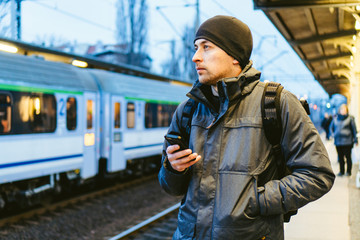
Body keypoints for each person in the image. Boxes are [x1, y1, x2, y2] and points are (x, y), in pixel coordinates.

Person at [158, 15, 335, 240]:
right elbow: (169, 186)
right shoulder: (188, 110)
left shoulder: (277, 103)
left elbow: (317, 174)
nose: (195, 57)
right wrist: (173, 168)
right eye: (195, 48)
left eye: (206, 47)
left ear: (234, 55)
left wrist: (254, 200)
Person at [330, 104, 358, 176]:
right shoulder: (335, 119)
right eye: (342, 110)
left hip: (347, 142)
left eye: (345, 110)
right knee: (340, 158)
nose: (343, 111)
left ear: (347, 111)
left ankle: (348, 171)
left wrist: (356, 140)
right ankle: (341, 171)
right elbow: (331, 128)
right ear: (339, 111)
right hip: (338, 141)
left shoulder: (350, 119)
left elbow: (354, 130)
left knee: (348, 157)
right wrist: (333, 134)